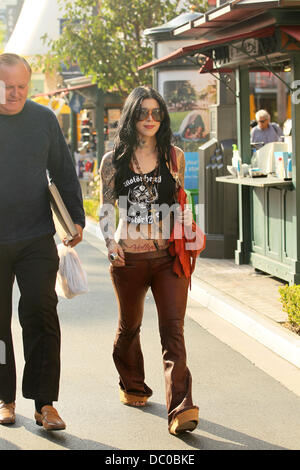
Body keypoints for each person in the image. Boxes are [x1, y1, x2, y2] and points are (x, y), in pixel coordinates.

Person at [99, 86, 199, 436]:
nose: (150, 119)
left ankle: (181, 409)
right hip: (129, 259)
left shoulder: (175, 156)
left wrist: (187, 228)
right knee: (130, 327)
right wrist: (110, 243)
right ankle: (133, 385)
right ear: (131, 116)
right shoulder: (113, 160)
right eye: (143, 113)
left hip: (168, 257)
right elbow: (106, 207)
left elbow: (181, 201)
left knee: (173, 330)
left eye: (156, 113)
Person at [0, 53, 85, 430]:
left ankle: (45, 404)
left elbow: (64, 171)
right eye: (7, 87)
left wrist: (76, 220)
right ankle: (4, 398)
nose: (15, 94)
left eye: (22, 87)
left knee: (41, 316)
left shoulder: (43, 119)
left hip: (36, 236)